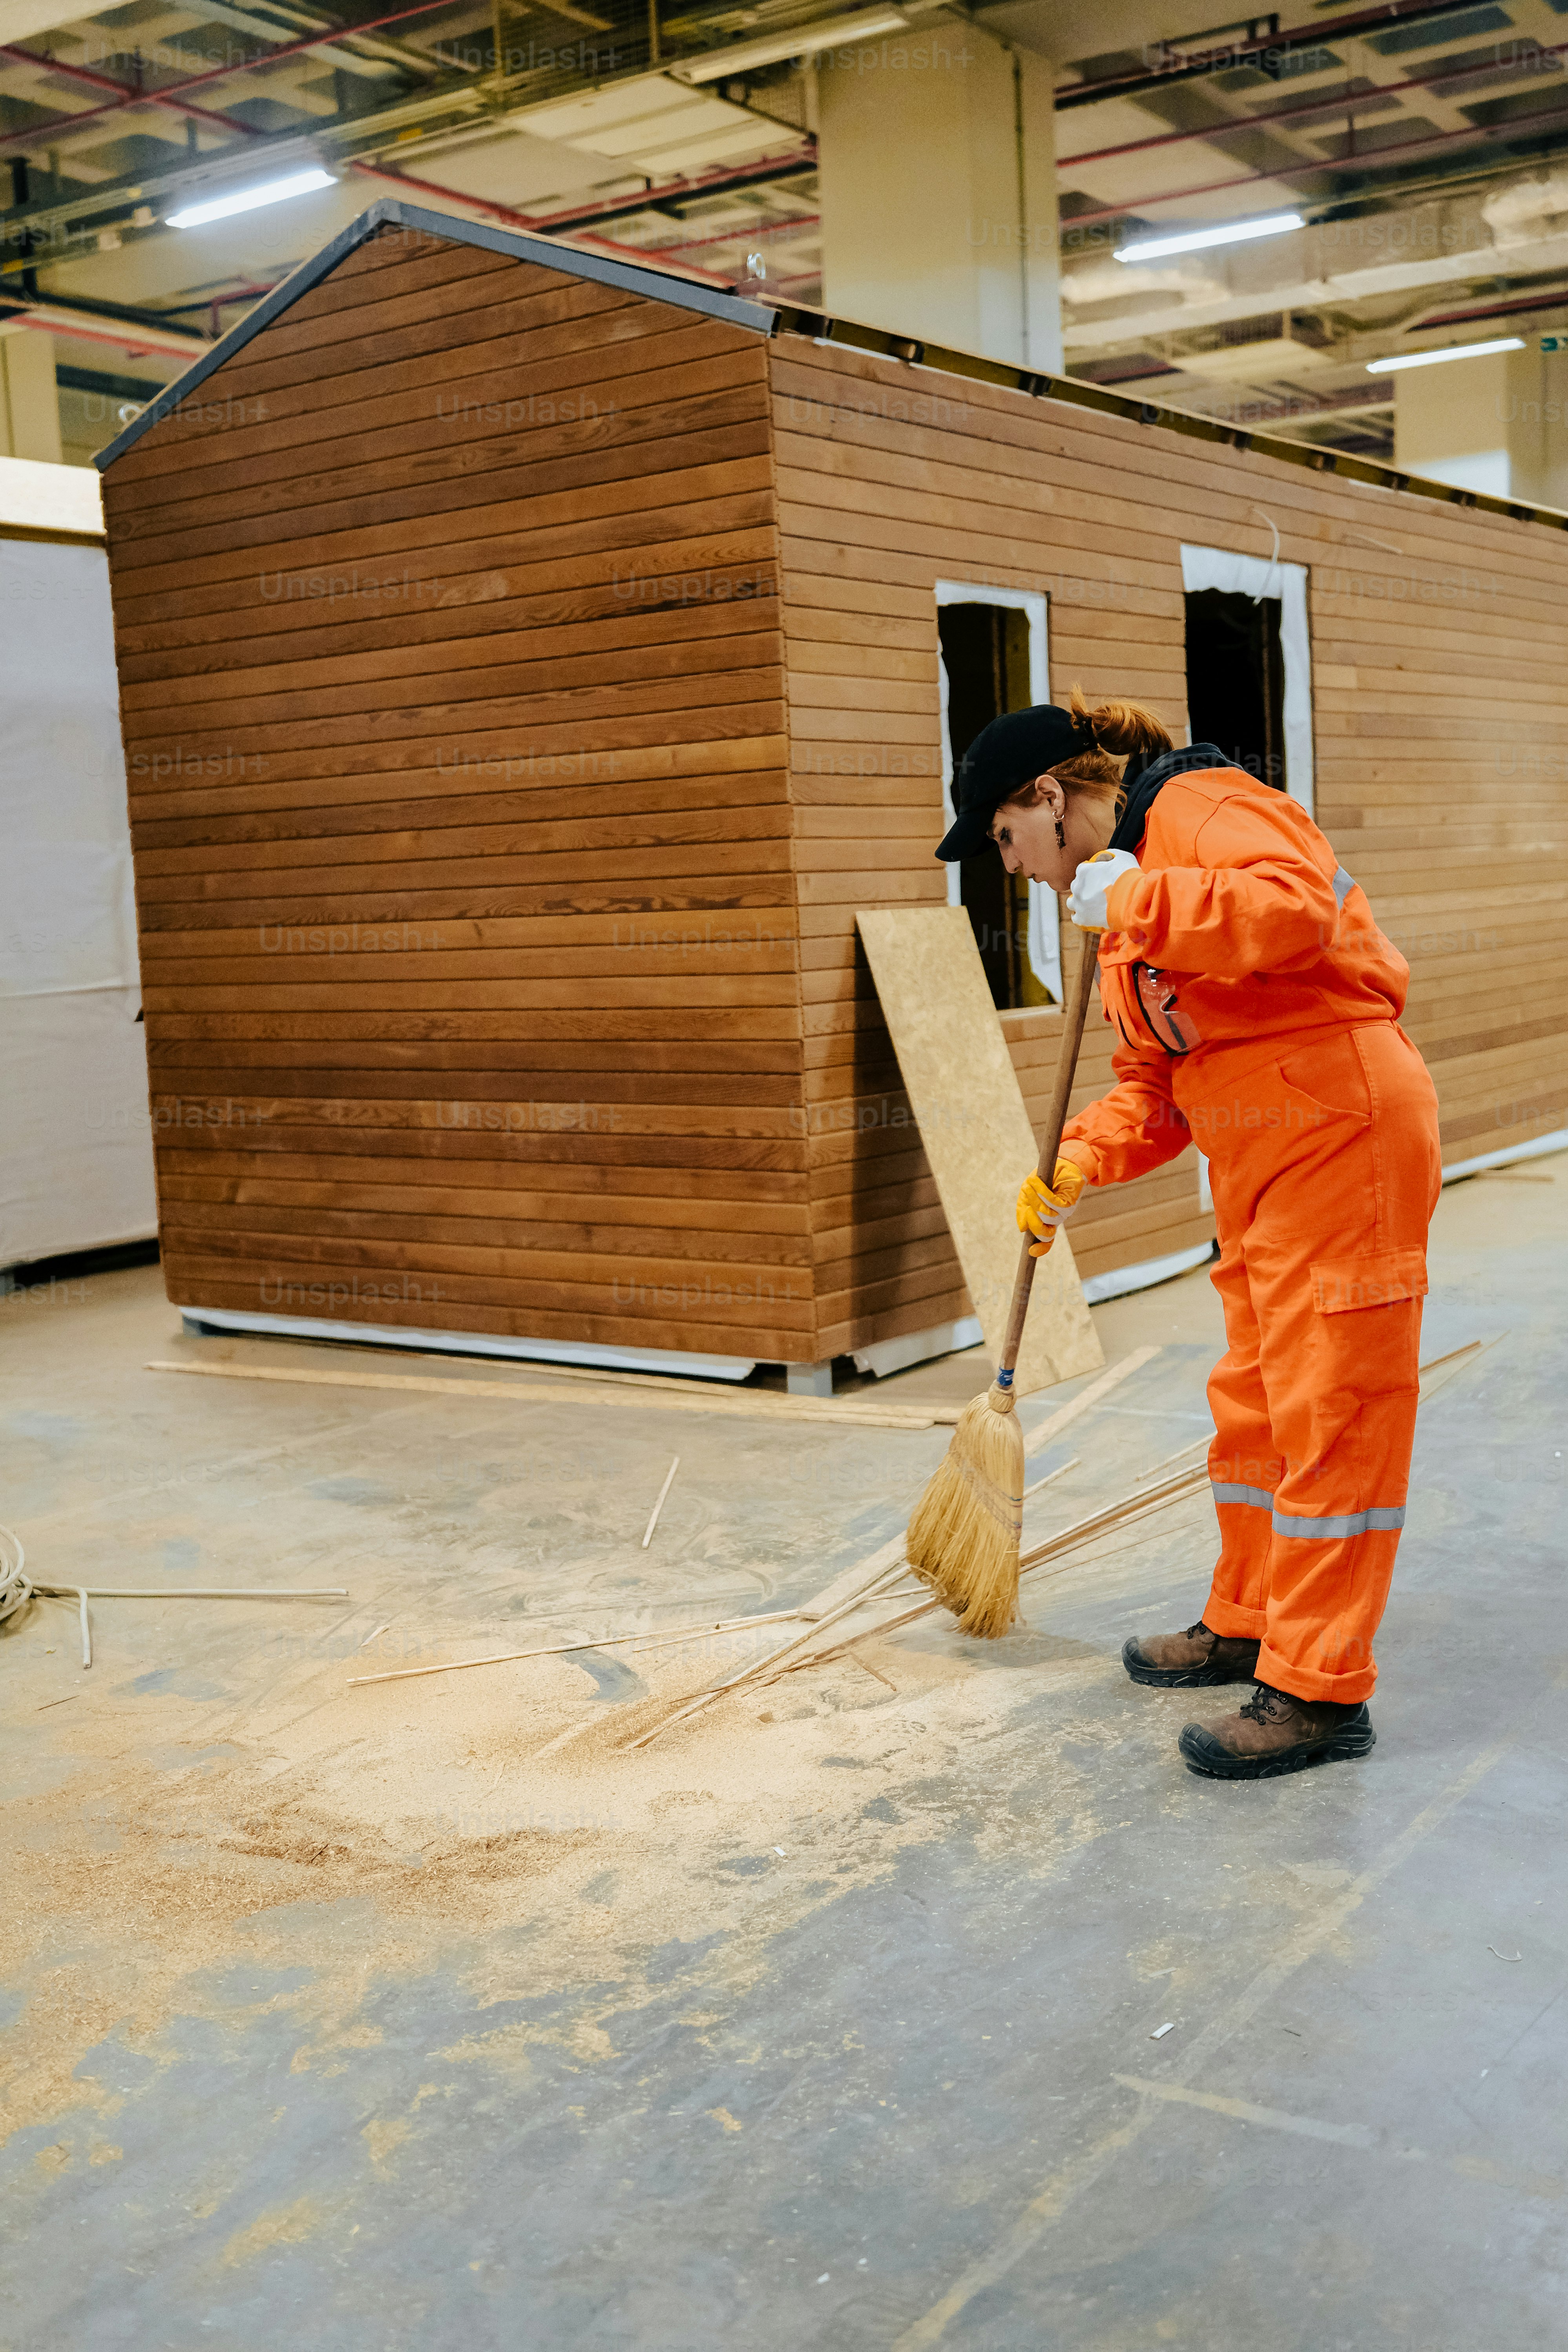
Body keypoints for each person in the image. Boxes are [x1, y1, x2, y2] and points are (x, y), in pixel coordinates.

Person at [935, 690, 1442, 1780]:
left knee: (1332, 1410)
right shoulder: (1119, 912)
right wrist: (1077, 1157)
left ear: (1048, 797)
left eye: (1005, 839)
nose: (1012, 865)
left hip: (1341, 1129)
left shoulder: (1205, 811)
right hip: (1257, 1162)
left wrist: (1143, 896)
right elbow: (1152, 1086)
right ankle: (1249, 1618)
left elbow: (1297, 911)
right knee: (1254, 1405)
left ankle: (1316, 1690)